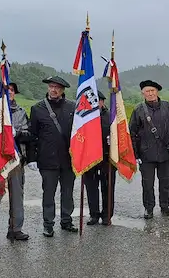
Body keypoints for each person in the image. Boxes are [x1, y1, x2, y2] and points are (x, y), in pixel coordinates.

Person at [0, 81, 31, 248]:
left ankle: (15, 229)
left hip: (15, 161)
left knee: (17, 197)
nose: (7, 93)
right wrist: (0, 139)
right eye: (2, 90)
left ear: (14, 93)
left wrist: (15, 134)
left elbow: (28, 134)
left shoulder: (21, 112)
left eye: (10, 90)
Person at [28, 76, 78, 235]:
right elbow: (32, 135)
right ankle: (48, 224)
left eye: (57, 87)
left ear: (63, 90)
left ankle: (66, 220)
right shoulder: (37, 109)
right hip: (47, 159)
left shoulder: (73, 107)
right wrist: (32, 158)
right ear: (48, 88)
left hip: (69, 159)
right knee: (48, 193)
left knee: (68, 192)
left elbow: (79, 133)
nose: (54, 90)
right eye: (51, 86)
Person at [129, 80, 169, 219]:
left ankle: (165, 206)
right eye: (147, 91)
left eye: (152, 91)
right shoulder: (138, 110)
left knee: (165, 182)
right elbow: (132, 133)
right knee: (147, 184)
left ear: (157, 92)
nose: (150, 93)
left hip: (165, 152)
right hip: (146, 154)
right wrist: (136, 154)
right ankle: (149, 208)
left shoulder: (168, 107)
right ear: (143, 93)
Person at [85, 90, 116, 226]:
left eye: (98, 101)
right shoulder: (83, 117)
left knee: (107, 188)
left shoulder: (111, 117)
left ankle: (106, 215)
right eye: (92, 101)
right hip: (89, 158)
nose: (95, 103)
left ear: (103, 102)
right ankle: (94, 214)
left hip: (107, 158)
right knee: (91, 188)